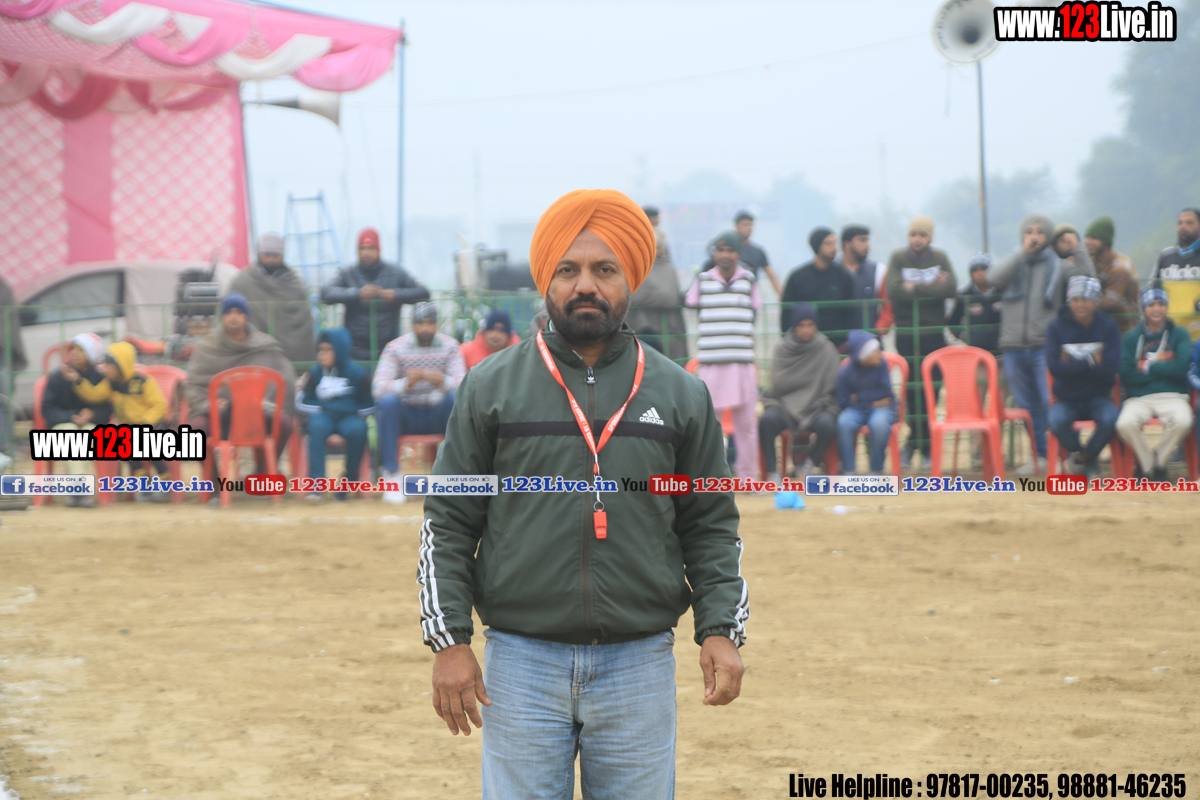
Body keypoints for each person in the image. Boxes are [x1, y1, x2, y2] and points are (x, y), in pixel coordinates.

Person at [419, 188, 746, 800]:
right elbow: (449, 522)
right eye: (568, 270)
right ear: (546, 278)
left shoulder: (680, 393)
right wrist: (450, 642)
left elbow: (710, 524)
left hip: (639, 663)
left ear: (630, 280)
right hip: (520, 662)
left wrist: (721, 627)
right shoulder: (491, 387)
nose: (585, 285)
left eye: (605, 269)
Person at [988, 213, 1094, 473]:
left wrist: (1076, 247)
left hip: (1045, 347)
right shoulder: (1014, 262)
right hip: (1013, 348)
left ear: (1048, 238)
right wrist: (1020, 254)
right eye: (1028, 232)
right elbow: (992, 278)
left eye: (1039, 232)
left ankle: (1068, 456)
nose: (1034, 237)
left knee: (1052, 403)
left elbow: (1087, 280)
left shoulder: (1058, 266)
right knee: (1027, 406)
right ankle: (1042, 457)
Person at [685, 230, 762, 481]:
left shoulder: (749, 280)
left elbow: (755, 312)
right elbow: (689, 304)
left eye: (730, 250)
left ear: (738, 253)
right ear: (714, 254)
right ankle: (713, 479)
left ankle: (748, 478)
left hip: (742, 363)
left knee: (746, 424)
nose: (725, 255)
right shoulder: (702, 281)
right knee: (711, 425)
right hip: (711, 364)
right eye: (720, 250)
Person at [184, 293, 296, 463]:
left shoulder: (265, 346)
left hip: (258, 414)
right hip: (219, 416)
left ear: (246, 316)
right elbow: (192, 385)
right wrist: (209, 403)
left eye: (239, 312)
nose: (233, 317)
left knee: (285, 424)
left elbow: (284, 380)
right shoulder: (206, 347)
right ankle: (212, 476)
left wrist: (265, 403)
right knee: (194, 430)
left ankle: (263, 470)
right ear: (222, 317)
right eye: (228, 312)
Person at [372, 302, 464, 504]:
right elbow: (378, 388)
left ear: (437, 324)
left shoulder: (450, 346)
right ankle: (392, 474)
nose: (425, 328)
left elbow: (464, 385)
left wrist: (444, 382)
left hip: (437, 413)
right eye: (420, 323)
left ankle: (452, 474)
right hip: (407, 415)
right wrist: (405, 384)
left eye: (430, 323)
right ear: (412, 324)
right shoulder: (395, 348)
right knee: (388, 403)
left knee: (454, 399)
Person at [885, 215, 956, 466]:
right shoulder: (898, 258)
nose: (917, 239)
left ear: (930, 237)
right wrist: (931, 286)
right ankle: (922, 447)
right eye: (913, 234)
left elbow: (950, 288)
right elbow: (893, 290)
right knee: (912, 391)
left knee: (932, 390)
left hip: (934, 335)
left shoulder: (940, 257)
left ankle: (916, 445)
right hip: (906, 334)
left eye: (922, 235)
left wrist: (913, 288)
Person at [73, 342, 170, 501]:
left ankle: (165, 482)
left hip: (154, 424)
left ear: (121, 365)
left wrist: (145, 423)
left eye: (108, 365)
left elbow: (159, 405)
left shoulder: (143, 381)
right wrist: (79, 382)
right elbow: (95, 394)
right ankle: (144, 481)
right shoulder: (111, 383)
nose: (104, 368)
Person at [1116, 288, 1195, 482]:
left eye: (1161, 304)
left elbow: (1181, 369)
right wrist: (1165, 370)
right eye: (1151, 305)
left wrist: (1146, 366)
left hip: (1173, 396)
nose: (1156, 309)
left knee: (1184, 420)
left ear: (1166, 307)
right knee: (1124, 423)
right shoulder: (1131, 338)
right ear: (1144, 309)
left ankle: (1151, 463)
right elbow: (1126, 375)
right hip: (1139, 398)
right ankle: (1152, 464)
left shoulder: (1179, 334)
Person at [1045, 277, 1121, 478]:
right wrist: (1091, 361)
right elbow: (1054, 368)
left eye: (1085, 299)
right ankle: (1085, 457)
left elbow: (1110, 369)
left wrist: (1070, 364)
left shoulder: (1108, 326)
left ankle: (1083, 459)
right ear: (1069, 301)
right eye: (1075, 299)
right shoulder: (1056, 327)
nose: (1080, 304)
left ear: (1095, 302)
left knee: (1111, 419)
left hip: (1099, 396)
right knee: (1056, 421)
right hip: (1066, 398)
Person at [320, 228, 431, 361]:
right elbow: (326, 292)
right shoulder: (347, 273)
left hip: (388, 349)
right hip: (354, 350)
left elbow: (423, 292)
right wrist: (357, 294)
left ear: (379, 249)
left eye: (371, 248)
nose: (366, 252)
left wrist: (396, 294)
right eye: (362, 248)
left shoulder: (395, 272)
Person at [760, 303, 839, 481]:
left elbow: (831, 385)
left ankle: (809, 465)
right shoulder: (782, 348)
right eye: (801, 325)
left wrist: (816, 401)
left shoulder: (826, 348)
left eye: (810, 325)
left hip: (815, 406)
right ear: (794, 327)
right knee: (767, 421)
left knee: (827, 424)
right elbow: (779, 383)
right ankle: (772, 472)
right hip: (785, 405)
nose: (806, 330)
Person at [294, 327, 373, 502]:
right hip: (324, 416)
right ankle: (316, 484)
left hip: (350, 417)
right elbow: (302, 402)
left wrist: (346, 410)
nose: (322, 355)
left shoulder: (359, 374)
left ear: (340, 350)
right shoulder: (314, 373)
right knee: (316, 426)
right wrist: (328, 408)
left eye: (328, 350)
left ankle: (348, 481)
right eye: (320, 350)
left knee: (359, 430)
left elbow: (370, 404)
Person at [41, 333, 112, 506]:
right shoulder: (58, 376)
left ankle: (76, 491)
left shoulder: (100, 378)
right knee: (71, 433)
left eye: (80, 350)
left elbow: (107, 409)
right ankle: (80, 490)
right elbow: (47, 410)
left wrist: (92, 414)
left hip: (91, 426)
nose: (74, 353)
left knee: (86, 433)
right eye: (73, 348)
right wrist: (71, 417)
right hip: (61, 427)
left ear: (91, 354)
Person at [228, 232, 316, 364]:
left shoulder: (295, 284)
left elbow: (304, 323)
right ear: (259, 254)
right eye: (267, 254)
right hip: (252, 352)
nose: (271, 259)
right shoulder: (242, 282)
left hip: (290, 352)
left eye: (275, 255)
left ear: (282, 256)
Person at [625, 205, 687, 362]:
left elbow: (669, 295)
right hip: (637, 323)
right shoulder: (633, 263)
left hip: (664, 325)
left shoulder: (665, 265)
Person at [780, 226, 856, 348]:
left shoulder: (844, 277)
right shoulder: (797, 277)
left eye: (835, 243)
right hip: (804, 346)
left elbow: (851, 312)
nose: (834, 248)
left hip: (837, 346)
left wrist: (847, 340)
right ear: (817, 246)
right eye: (828, 244)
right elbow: (787, 312)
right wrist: (789, 342)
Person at [836, 330, 896, 475]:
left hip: (880, 409)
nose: (879, 353)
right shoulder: (845, 372)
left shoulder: (882, 365)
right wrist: (871, 402)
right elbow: (843, 401)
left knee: (879, 424)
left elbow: (886, 393)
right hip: (856, 409)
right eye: (875, 351)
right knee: (843, 422)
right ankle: (849, 469)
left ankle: (876, 468)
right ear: (863, 356)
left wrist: (858, 397)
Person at [1148, 207, 1200, 339]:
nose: (1183, 226)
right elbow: (1152, 289)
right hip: (1169, 334)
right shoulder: (1166, 256)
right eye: (1180, 223)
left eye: (1189, 223)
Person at [1084, 216, 1140, 333]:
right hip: (1105, 328)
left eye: (1093, 238)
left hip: (1125, 329)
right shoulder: (1094, 262)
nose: (1087, 241)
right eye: (1087, 237)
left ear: (1105, 241)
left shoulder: (1121, 267)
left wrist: (1081, 306)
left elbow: (1109, 303)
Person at [836, 224, 892, 332]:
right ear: (847, 244)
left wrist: (880, 329)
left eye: (867, 240)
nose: (867, 245)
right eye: (862, 240)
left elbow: (888, 305)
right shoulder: (831, 272)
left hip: (870, 338)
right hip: (838, 339)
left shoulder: (879, 270)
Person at [948, 254, 1003, 355]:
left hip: (1001, 350)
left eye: (983, 269)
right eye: (975, 270)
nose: (979, 273)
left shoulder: (1002, 293)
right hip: (975, 352)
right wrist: (963, 340)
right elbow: (953, 322)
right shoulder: (965, 295)